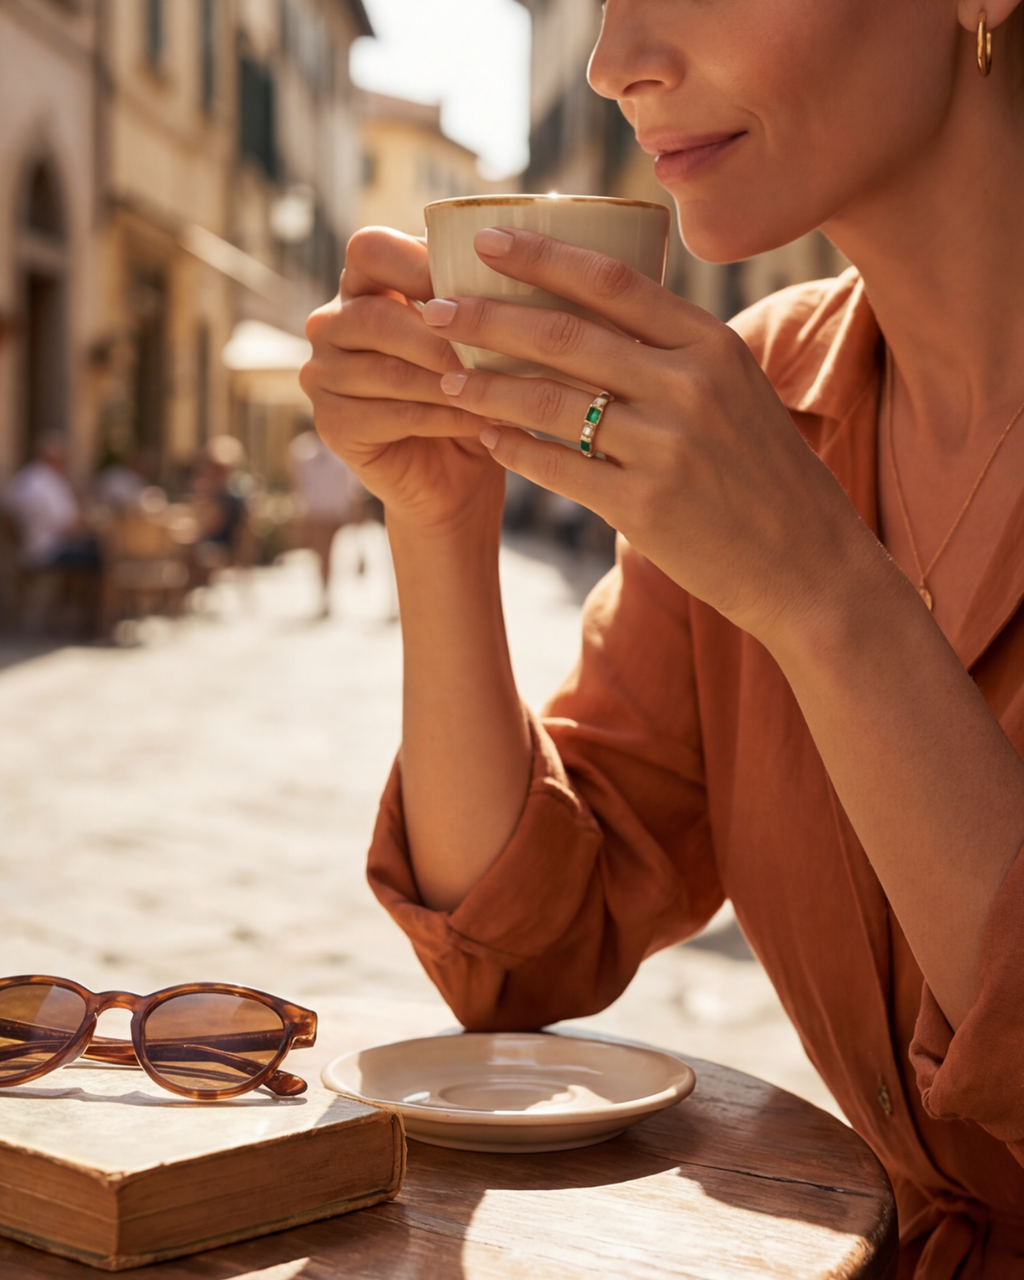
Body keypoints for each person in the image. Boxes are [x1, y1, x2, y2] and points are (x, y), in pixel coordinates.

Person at [301, 4, 1024, 1275]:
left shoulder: (747, 464)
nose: (612, 62)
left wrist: (823, 591)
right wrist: (440, 512)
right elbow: (525, 953)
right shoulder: (765, 389)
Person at [288, 427, 367, 616]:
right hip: (317, 512)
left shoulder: (337, 458)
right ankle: (325, 595)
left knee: (328, 556)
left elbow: (350, 488)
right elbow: (300, 486)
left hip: (333, 512)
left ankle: (327, 595)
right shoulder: (304, 456)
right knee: (321, 556)